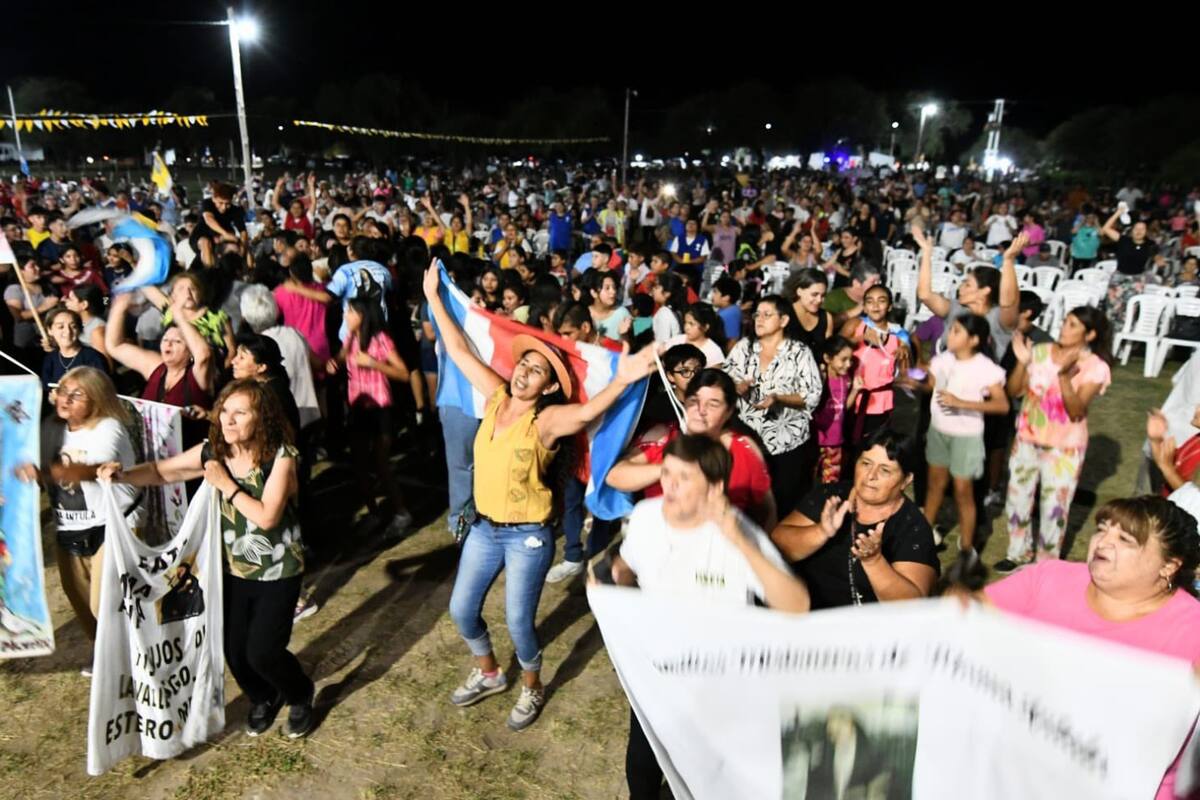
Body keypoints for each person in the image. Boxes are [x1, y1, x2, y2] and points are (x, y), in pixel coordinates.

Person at [424, 258, 658, 730]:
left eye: (536, 371)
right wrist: (433, 297)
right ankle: (489, 671)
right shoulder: (495, 398)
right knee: (462, 611)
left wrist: (625, 376)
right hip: (484, 529)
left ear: (550, 386)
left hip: (527, 537)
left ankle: (532, 685)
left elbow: (590, 409)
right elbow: (460, 349)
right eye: (523, 364)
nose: (524, 373)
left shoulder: (546, 421)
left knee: (518, 624)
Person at [100, 380, 316, 738]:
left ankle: (299, 692)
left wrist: (224, 483)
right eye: (224, 411)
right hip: (231, 570)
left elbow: (266, 517)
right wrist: (123, 474)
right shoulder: (211, 452)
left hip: (279, 570)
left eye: (240, 413)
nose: (228, 421)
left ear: (261, 418)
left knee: (262, 651)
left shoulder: (282, 455)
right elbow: (160, 471)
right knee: (233, 651)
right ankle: (263, 696)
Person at [601, 433, 808, 800]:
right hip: (658, 673)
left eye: (684, 478)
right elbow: (627, 567)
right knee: (642, 766)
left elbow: (796, 606)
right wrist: (614, 583)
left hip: (718, 684)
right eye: (666, 473)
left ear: (714, 486)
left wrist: (740, 542)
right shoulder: (646, 517)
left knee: (708, 777)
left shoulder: (737, 531)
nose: (669, 486)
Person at [977, 496, 1200, 800]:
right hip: (1018, 778)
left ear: (1169, 566)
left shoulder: (1192, 631)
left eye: (1125, 539)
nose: (1103, 542)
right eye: (1102, 529)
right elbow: (958, 625)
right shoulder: (1048, 578)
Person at [18, 368, 143, 651]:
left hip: (113, 523)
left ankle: (131, 658)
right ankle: (104, 658)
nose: (66, 399)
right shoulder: (52, 428)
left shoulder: (109, 427)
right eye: (63, 391)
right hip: (70, 525)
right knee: (80, 600)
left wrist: (46, 473)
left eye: (77, 394)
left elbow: (92, 470)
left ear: (97, 398)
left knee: (105, 604)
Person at [771, 428, 940, 609]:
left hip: (863, 628)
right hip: (805, 613)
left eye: (885, 470)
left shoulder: (913, 528)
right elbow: (774, 548)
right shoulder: (830, 496)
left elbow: (912, 606)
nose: (871, 476)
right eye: (866, 463)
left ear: (906, 480)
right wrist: (820, 532)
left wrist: (874, 562)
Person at [997, 307, 1113, 572]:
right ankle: (1017, 553)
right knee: (1017, 498)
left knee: (1054, 507)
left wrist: (1062, 375)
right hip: (1027, 438)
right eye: (1065, 321)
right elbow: (1015, 391)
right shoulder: (1040, 352)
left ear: (1090, 334)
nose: (1064, 328)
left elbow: (1076, 410)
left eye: (1073, 325)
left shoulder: (1096, 367)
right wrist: (1023, 363)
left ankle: (1046, 564)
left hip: (1065, 448)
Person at [609, 368, 777, 530]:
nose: (700, 410)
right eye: (694, 401)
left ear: (728, 411)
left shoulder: (743, 447)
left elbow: (767, 510)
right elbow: (615, 477)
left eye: (713, 404)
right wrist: (673, 469)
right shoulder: (663, 436)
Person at [919, 314, 1009, 561]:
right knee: (935, 485)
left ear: (974, 339)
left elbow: (1002, 405)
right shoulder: (943, 359)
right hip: (939, 431)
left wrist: (961, 403)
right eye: (951, 330)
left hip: (966, 437)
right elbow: (931, 385)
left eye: (957, 331)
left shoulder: (986, 369)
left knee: (962, 491)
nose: (950, 335)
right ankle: (924, 535)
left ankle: (967, 547)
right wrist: (914, 380)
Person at [724, 294, 822, 518]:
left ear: (784, 321)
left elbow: (812, 395)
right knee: (746, 503)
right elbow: (726, 378)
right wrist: (736, 386)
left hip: (786, 443)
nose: (759, 319)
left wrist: (779, 398)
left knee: (783, 501)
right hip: (748, 439)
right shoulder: (744, 348)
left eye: (767, 315)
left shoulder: (799, 352)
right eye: (757, 314)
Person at [326, 295, 413, 536]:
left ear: (362, 315)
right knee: (359, 463)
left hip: (380, 408)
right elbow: (344, 355)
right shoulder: (350, 337)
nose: (346, 316)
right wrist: (335, 362)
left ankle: (401, 512)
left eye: (350, 312)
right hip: (358, 407)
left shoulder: (380, 339)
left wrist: (374, 363)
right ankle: (374, 512)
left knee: (381, 462)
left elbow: (404, 373)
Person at [105, 290, 214, 443]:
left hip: (187, 453)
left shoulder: (196, 375)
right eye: (165, 339)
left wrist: (179, 317)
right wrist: (119, 308)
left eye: (177, 341)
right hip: (151, 450)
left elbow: (204, 355)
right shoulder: (156, 367)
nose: (168, 343)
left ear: (191, 352)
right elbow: (115, 346)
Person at [813, 336, 862, 484]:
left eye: (850, 360)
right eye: (843, 359)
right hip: (816, 441)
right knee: (809, 479)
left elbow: (842, 407)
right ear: (827, 358)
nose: (848, 364)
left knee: (830, 481)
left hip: (835, 442)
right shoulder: (820, 379)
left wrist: (855, 390)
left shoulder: (845, 380)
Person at [1101, 210, 1159, 329]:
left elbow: (1157, 256)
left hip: (1136, 281)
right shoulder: (1123, 240)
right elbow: (1106, 228)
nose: (1138, 231)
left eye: (1142, 229)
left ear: (1146, 232)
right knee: (1111, 310)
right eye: (1136, 229)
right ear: (1132, 230)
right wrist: (1118, 213)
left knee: (1130, 311)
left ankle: (1124, 339)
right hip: (1118, 279)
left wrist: (1159, 259)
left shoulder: (1150, 245)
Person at [40, 307, 108, 389]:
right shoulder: (50, 359)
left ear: (79, 330)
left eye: (73, 326)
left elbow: (102, 390)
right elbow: (46, 389)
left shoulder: (94, 357)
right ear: (49, 330)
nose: (68, 331)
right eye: (61, 327)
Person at [785, 268, 834, 356]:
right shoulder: (783, 313)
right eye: (814, 295)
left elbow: (827, 353)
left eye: (823, 295)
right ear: (799, 291)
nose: (819, 300)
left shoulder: (826, 318)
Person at [63, 284, 108, 365]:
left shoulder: (97, 329)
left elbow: (105, 365)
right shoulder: (77, 323)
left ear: (84, 304)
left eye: (71, 299)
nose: (66, 301)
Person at [583, 269, 631, 341]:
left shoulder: (622, 313)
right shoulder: (584, 313)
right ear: (594, 293)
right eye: (607, 288)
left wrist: (624, 336)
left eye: (614, 288)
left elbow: (630, 344)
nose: (613, 292)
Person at [651, 272, 686, 343]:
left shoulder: (664, 313)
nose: (653, 289)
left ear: (667, 293)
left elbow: (662, 343)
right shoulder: (677, 310)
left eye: (657, 287)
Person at [711, 276, 743, 345]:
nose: (712, 296)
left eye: (715, 292)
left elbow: (732, 340)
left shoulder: (730, 314)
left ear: (726, 297)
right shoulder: (728, 310)